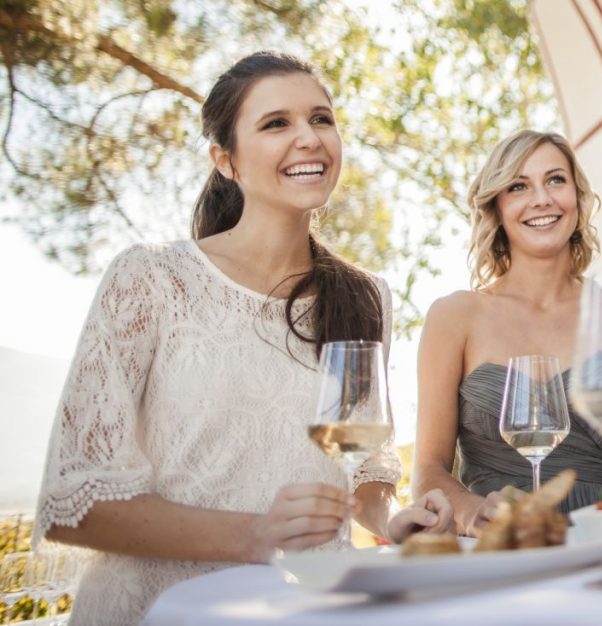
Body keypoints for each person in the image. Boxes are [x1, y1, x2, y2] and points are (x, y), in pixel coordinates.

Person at [31, 51, 451, 625]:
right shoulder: (151, 278)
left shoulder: (365, 296)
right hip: (160, 612)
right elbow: (72, 505)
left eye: (321, 118)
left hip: (311, 608)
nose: (308, 138)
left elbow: (364, 471)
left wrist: (392, 520)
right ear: (225, 160)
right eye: (276, 123)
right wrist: (258, 535)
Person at [413, 130, 602, 535]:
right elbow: (427, 470)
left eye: (555, 180)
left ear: (577, 199)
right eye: (518, 186)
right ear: (496, 206)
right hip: (501, 547)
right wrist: (472, 511)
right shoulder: (454, 317)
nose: (542, 199)